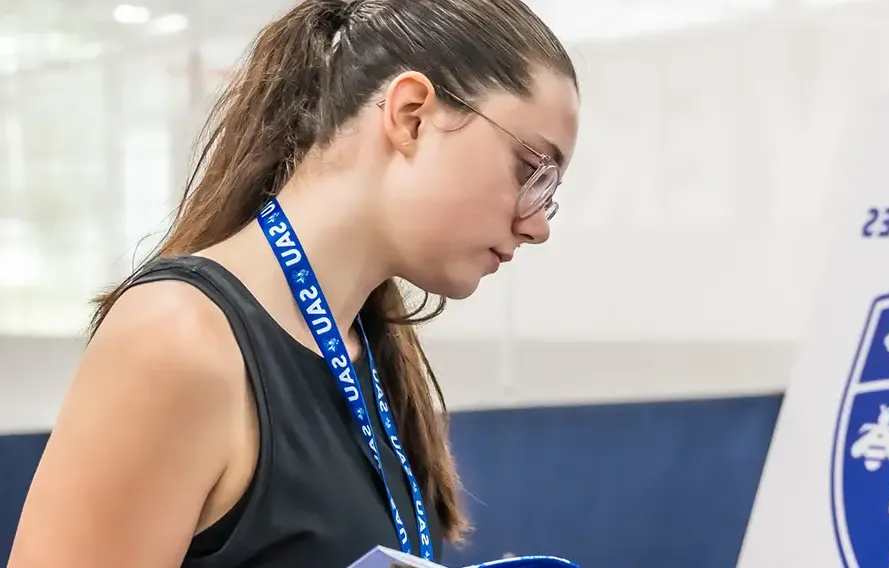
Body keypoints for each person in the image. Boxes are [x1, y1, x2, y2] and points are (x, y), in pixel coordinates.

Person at [7, 0, 578, 566]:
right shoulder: (178, 339)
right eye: (532, 171)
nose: (538, 226)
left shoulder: (369, 350)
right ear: (411, 116)